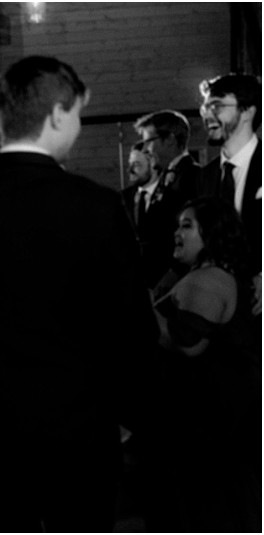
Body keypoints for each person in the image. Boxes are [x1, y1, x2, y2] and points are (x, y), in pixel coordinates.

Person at [0, 56, 157, 532]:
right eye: (77, 114)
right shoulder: (96, 205)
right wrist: (133, 418)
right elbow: (132, 327)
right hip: (80, 427)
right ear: (56, 114)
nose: (76, 125)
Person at [143, 197, 260, 532]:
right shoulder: (208, 273)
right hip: (212, 426)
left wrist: (140, 308)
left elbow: (188, 343)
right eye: (178, 224)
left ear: (211, 233)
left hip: (205, 428)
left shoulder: (209, 278)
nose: (176, 233)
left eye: (187, 225)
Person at [196, 73, 261, 316]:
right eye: (205, 107)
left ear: (247, 112)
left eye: (217, 106)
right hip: (219, 310)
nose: (207, 115)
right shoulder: (205, 176)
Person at [120, 140, 183, 287]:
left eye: (136, 165)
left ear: (153, 163)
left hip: (164, 284)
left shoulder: (174, 200)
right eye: (129, 164)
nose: (129, 170)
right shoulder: (121, 199)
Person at [134, 109, 200, 201]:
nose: (144, 150)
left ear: (170, 139)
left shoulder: (196, 178)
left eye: (149, 142)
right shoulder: (160, 179)